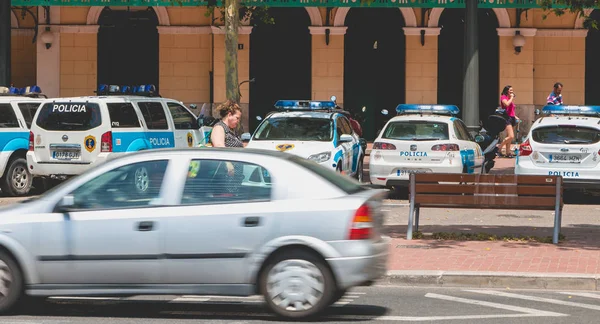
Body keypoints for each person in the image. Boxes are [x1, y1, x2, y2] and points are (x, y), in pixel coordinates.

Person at [210, 100, 243, 185]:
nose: (238, 121)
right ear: (229, 115)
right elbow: (219, 146)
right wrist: (228, 163)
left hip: (234, 178)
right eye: (237, 118)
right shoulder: (219, 128)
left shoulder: (232, 130)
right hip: (225, 176)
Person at [497, 85, 520, 158]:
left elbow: (511, 110)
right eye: (510, 90)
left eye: (512, 90)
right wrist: (512, 98)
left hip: (512, 118)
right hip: (507, 118)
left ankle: (508, 152)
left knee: (509, 137)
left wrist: (515, 117)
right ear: (507, 91)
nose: (512, 92)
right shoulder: (503, 97)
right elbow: (506, 104)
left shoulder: (510, 98)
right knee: (511, 136)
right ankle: (499, 147)